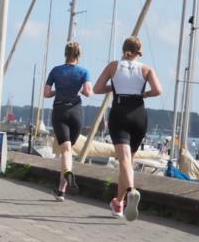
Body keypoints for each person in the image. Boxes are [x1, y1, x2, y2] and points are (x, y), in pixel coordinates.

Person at [92, 36, 162, 221]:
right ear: (139, 52)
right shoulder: (146, 69)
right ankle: (118, 203)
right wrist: (144, 93)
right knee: (128, 162)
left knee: (123, 160)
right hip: (139, 113)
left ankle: (131, 191)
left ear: (124, 50)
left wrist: (114, 87)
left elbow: (97, 89)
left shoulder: (113, 66)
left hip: (120, 111)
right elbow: (158, 90)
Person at [44, 41, 93, 200]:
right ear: (79, 55)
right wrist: (80, 90)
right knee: (68, 151)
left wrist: (56, 92)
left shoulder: (56, 70)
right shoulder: (84, 72)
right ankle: (61, 190)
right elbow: (88, 92)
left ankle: (64, 183)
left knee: (65, 150)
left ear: (65, 54)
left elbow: (46, 93)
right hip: (76, 112)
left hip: (60, 110)